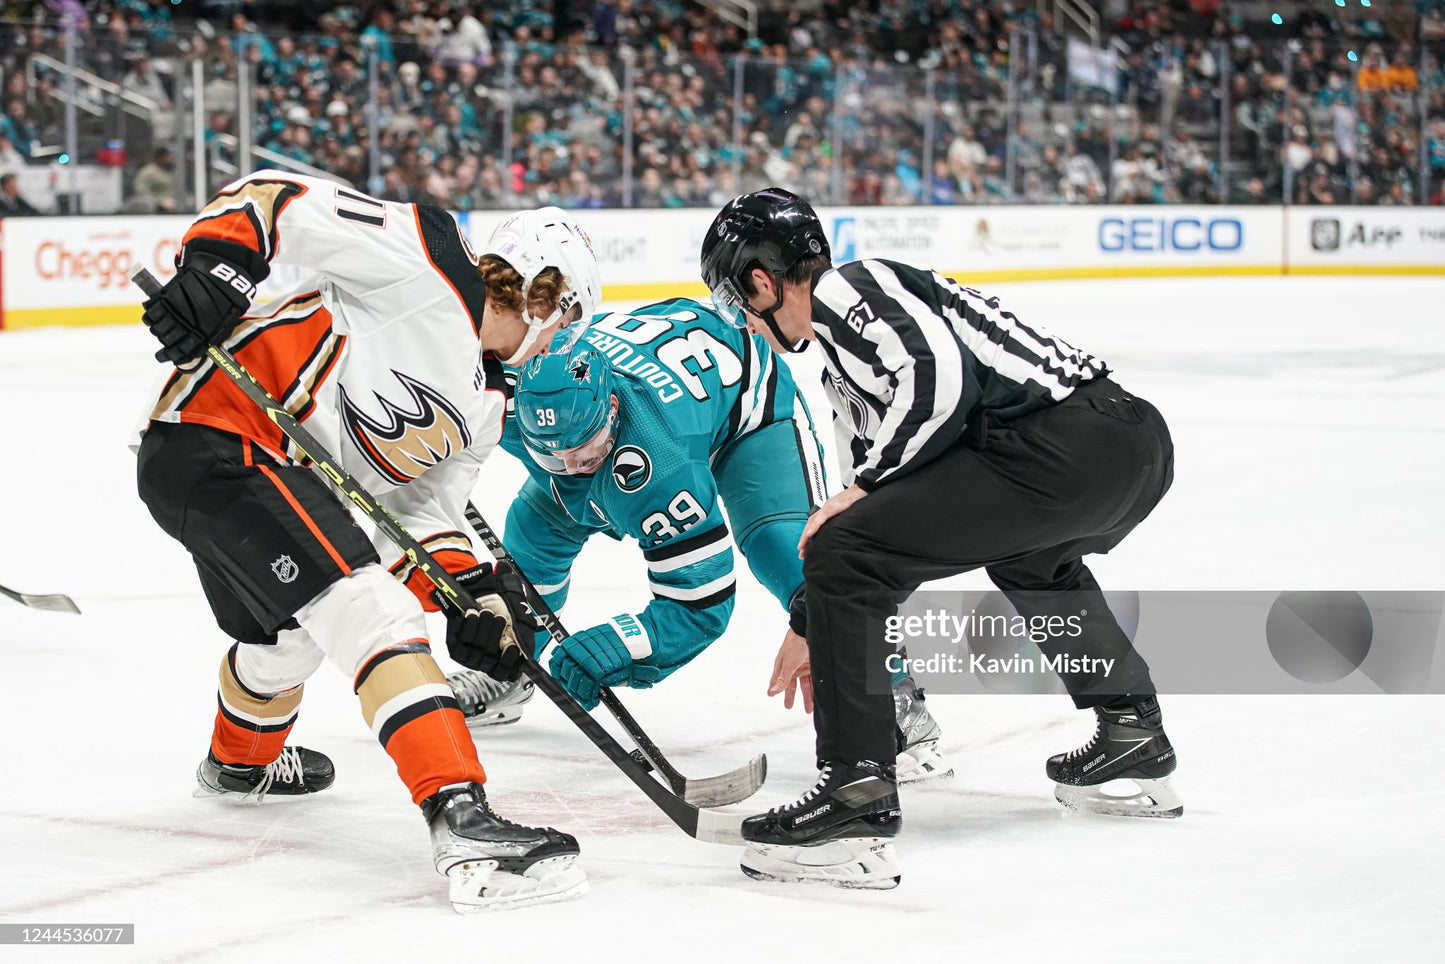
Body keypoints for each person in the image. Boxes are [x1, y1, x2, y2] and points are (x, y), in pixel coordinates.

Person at [134, 172, 601, 911]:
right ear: (546, 297)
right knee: (371, 609)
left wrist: (469, 594)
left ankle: (241, 763)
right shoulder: (427, 262)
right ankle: (461, 815)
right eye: (567, 319)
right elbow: (270, 197)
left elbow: (419, 515)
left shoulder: (486, 405)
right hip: (222, 437)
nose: (561, 340)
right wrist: (216, 269)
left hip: (255, 476)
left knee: (289, 636)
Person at [700, 188, 1178, 889]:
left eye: (733, 299)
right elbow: (881, 519)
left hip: (1067, 443)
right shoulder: (843, 365)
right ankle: (1131, 729)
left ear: (761, 280)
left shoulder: (850, 287)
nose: (739, 318)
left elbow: (938, 384)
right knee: (1030, 563)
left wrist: (851, 528)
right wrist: (814, 615)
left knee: (845, 553)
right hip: (1120, 451)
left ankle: (854, 798)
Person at [447, 299, 952, 784]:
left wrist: (619, 646)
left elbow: (700, 603)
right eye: (553, 457)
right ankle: (512, 669)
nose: (574, 470)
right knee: (530, 537)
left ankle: (897, 699)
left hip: (745, 406)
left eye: (586, 451)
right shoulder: (509, 403)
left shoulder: (664, 471)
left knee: (797, 558)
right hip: (664, 369)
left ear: (615, 409)